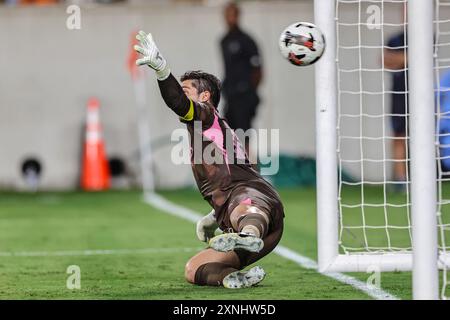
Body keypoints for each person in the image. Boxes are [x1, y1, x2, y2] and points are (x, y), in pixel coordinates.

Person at [134, 31, 284, 289]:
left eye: (186, 90)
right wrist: (214, 217)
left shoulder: (205, 115)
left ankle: (248, 234)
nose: (180, 95)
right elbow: (227, 177)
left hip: (252, 203)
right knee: (195, 269)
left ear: (205, 97)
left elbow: (177, 103)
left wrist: (161, 70)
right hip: (247, 216)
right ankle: (235, 278)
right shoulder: (210, 130)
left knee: (244, 209)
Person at [220, 2, 262, 156]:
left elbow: (258, 70)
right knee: (229, 135)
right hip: (230, 96)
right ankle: (235, 172)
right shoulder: (223, 41)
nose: (230, 19)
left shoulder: (247, 41)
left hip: (244, 96)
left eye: (233, 15)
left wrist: (249, 92)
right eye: (227, 15)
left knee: (244, 134)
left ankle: (250, 170)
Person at [384, 30, 408, 190]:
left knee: (424, 135)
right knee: (399, 135)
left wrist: (399, 58)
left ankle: (426, 175)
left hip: (423, 95)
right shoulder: (395, 38)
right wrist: (407, 58)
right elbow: (385, 60)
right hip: (399, 94)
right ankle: (401, 180)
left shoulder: (427, 34)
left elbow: (424, 59)